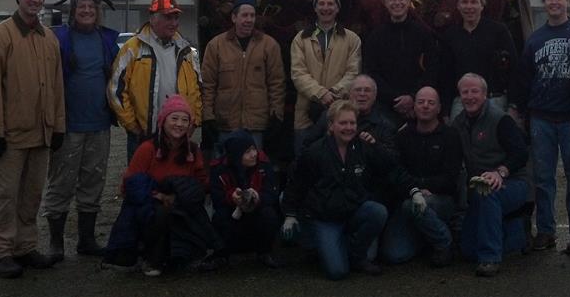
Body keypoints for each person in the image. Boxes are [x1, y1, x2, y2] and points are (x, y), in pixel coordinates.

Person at [0, 0, 65, 278]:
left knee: (31, 195)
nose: (35, 0)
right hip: (10, 137)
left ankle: (25, 247)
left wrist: (58, 126)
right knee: (5, 197)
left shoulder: (49, 38)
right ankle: (1, 253)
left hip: (41, 134)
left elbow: (57, 86)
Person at [281, 101, 426, 280]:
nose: (348, 128)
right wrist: (290, 214)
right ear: (331, 125)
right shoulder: (315, 152)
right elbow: (296, 184)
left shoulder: (365, 146)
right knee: (337, 272)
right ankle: (316, 245)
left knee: (377, 211)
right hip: (326, 219)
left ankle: (357, 256)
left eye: (352, 123)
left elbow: (392, 169)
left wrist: (414, 191)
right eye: (343, 123)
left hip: (354, 210)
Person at [102, 95, 219, 276]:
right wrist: (160, 196)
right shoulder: (147, 148)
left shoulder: (193, 150)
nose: (179, 124)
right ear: (163, 121)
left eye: (185, 120)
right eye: (174, 118)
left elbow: (201, 182)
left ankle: (182, 255)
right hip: (149, 205)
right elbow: (129, 184)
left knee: (190, 209)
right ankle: (151, 257)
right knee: (161, 213)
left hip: (180, 203)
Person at [512, 0, 570, 254]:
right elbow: (524, 78)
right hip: (541, 118)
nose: (554, 2)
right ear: (544, 2)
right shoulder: (535, 38)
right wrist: (520, 110)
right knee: (544, 180)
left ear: (568, 1)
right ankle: (546, 231)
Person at [43, 0, 119, 262]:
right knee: (61, 183)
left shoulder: (107, 40)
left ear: (98, 11)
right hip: (68, 126)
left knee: (93, 182)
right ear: (73, 10)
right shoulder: (58, 39)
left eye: (91, 7)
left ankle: (87, 240)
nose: (86, 11)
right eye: (81, 6)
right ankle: (55, 243)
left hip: (99, 124)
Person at [108, 0, 202, 161]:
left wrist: (193, 122)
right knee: (141, 177)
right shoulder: (132, 48)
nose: (173, 23)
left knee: (176, 176)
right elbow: (115, 89)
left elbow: (199, 90)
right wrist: (133, 126)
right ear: (152, 18)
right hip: (143, 136)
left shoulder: (187, 51)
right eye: (167, 17)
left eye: (176, 18)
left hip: (179, 135)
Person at [452, 73, 528, 277]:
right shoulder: (458, 124)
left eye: (474, 91)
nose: (470, 96)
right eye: (465, 92)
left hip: (513, 183)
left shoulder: (500, 119)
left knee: (488, 193)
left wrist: (500, 172)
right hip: (478, 189)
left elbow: (521, 153)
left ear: (484, 94)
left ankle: (490, 258)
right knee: (468, 251)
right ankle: (516, 232)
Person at [380, 86, 461, 267]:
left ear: (439, 108)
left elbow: (451, 177)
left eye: (431, 103)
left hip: (441, 199)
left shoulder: (450, 136)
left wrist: (425, 187)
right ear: (414, 107)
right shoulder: (402, 136)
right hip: (409, 197)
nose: (425, 106)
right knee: (394, 255)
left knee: (413, 205)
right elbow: (397, 173)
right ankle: (426, 237)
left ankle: (444, 242)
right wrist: (415, 190)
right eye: (421, 102)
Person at [200, 0, 285, 155]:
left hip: (256, 125)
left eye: (252, 16)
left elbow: (276, 83)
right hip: (225, 125)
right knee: (224, 166)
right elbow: (208, 84)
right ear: (234, 18)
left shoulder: (269, 45)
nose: (249, 20)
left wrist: (276, 115)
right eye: (244, 15)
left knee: (253, 167)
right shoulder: (216, 45)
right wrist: (208, 116)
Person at [290, 0, 361, 154]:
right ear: (315, 8)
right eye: (321, 4)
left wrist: (334, 93)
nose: (326, 8)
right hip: (306, 115)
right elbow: (298, 73)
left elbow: (353, 72)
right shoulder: (301, 39)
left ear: (337, 8)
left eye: (330, 4)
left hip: (339, 115)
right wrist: (321, 93)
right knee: (304, 160)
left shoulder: (352, 39)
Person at [363, 0, 438, 125]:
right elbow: (371, 72)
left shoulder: (423, 34)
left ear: (409, 1)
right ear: (385, 3)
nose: (397, 3)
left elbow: (432, 69)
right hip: (385, 105)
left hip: (419, 104)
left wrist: (413, 97)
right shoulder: (375, 36)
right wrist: (395, 99)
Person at [207, 130, 282, 269]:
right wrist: (232, 197)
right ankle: (221, 255)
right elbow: (217, 198)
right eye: (247, 151)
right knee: (220, 217)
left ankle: (265, 252)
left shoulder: (263, 163)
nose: (254, 154)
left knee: (269, 215)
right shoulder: (219, 169)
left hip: (257, 209)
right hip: (232, 212)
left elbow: (272, 194)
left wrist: (257, 197)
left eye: (254, 149)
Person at [440, 0, 517, 119]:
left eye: (474, 2)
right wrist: (445, 112)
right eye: (464, 2)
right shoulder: (450, 35)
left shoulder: (499, 32)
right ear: (458, 6)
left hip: (494, 101)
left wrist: (513, 105)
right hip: (461, 102)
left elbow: (514, 68)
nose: (469, 6)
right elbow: (445, 75)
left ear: (482, 5)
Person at [299, 74, 397, 158]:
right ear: (349, 94)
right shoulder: (329, 116)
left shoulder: (384, 125)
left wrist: (374, 146)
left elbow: (392, 161)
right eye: (358, 90)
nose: (362, 94)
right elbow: (306, 148)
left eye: (367, 90)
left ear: (375, 96)